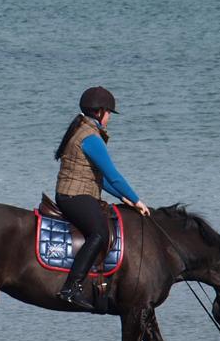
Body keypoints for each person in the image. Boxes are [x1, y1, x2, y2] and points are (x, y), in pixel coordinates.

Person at [54, 86, 151, 310]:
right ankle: (71, 287)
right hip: (74, 195)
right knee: (99, 232)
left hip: (74, 192)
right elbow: (113, 176)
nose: (109, 119)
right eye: (109, 114)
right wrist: (137, 200)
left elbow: (99, 179)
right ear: (99, 112)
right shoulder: (91, 137)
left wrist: (123, 198)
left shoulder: (80, 128)